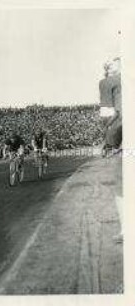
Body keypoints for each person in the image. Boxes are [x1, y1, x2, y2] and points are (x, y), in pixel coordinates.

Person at [99, 57, 123, 243]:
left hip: (124, 137)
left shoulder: (108, 82)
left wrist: (108, 143)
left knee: (121, 186)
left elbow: (109, 117)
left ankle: (126, 229)